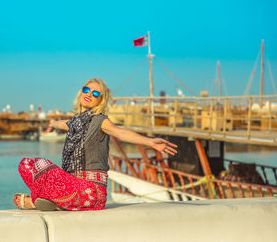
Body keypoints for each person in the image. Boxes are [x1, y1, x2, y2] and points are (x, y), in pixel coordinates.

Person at [13, 78, 177, 211]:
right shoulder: (76, 122)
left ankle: (39, 200)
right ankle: (58, 201)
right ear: (81, 92)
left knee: (42, 165)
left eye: (95, 93)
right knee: (26, 164)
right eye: (86, 90)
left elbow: (121, 132)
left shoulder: (100, 121)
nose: (89, 94)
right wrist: (53, 123)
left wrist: (150, 142)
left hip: (91, 191)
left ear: (101, 100)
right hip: (71, 186)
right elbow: (66, 124)